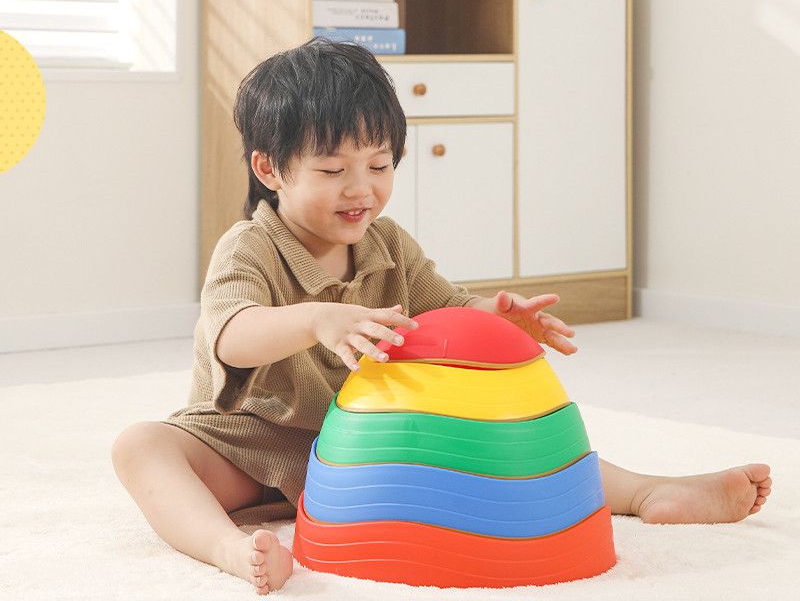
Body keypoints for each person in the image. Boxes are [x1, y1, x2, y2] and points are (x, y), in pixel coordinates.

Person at [112, 38, 772, 595]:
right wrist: (317, 319)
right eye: (333, 170)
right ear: (270, 169)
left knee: (505, 448)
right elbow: (232, 336)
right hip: (250, 442)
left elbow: (448, 308)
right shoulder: (250, 248)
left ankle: (648, 492)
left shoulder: (387, 244)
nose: (361, 188)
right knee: (142, 446)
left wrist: (499, 316)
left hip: (365, 446)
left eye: (379, 165)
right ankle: (230, 550)